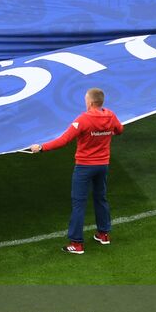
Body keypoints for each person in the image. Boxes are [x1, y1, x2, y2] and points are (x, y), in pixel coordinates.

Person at [28, 87, 123, 253]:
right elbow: (119, 130)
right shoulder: (111, 115)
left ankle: (77, 244)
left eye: (86, 99)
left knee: (79, 203)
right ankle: (103, 234)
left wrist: (41, 147)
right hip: (103, 165)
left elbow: (64, 140)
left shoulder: (84, 120)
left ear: (91, 102)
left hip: (85, 167)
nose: (85, 102)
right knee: (101, 198)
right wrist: (105, 134)